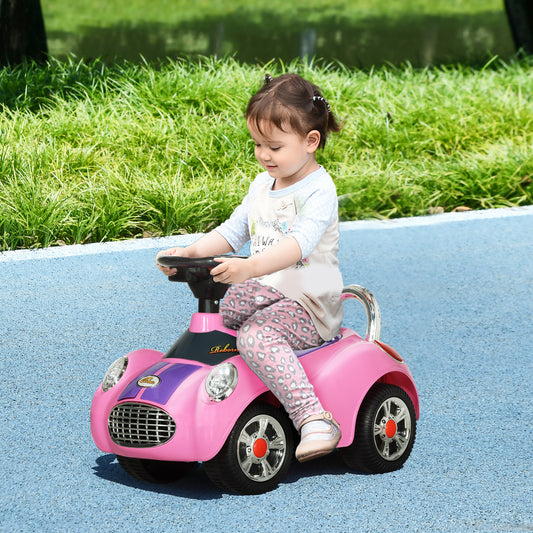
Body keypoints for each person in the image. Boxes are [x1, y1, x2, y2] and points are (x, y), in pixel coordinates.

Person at [157, 73, 344, 462]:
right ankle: (208, 395)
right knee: (224, 313)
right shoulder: (263, 184)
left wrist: (249, 268)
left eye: (274, 146)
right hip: (267, 291)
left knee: (256, 336)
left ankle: (313, 418)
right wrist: (190, 253)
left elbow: (297, 246)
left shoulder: (318, 191)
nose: (263, 154)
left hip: (308, 302)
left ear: (311, 142)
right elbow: (232, 232)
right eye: (257, 144)